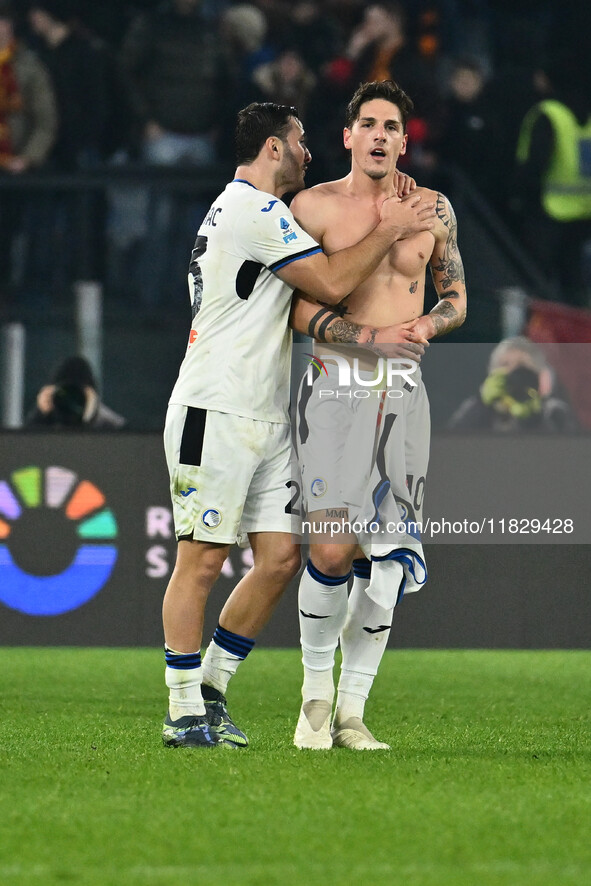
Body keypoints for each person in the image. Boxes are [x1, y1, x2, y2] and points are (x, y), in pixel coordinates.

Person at [160, 100, 437, 749]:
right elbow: (334, 279)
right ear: (275, 149)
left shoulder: (259, 214)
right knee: (200, 561)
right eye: (302, 141)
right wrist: (389, 224)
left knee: (281, 557)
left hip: (264, 412)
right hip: (215, 405)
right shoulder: (252, 211)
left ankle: (210, 689)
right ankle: (180, 711)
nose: (310, 152)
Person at [288, 80, 467, 750]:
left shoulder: (433, 208)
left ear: (403, 138)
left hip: (405, 389)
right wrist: (368, 339)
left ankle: (351, 713)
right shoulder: (312, 206)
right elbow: (297, 309)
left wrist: (427, 323)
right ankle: (312, 697)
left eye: (391, 126)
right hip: (337, 384)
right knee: (333, 547)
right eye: (367, 124)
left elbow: (455, 294)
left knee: (388, 560)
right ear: (346, 136)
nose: (379, 136)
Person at [447, 336, 577, 433]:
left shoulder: (554, 412)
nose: (512, 372)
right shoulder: (474, 408)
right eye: (504, 365)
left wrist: (533, 418)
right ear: (491, 373)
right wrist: (483, 405)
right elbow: (453, 445)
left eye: (521, 366)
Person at [26, 355, 126, 430]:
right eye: (63, 393)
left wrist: (90, 416)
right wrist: (41, 414)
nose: (71, 400)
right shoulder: (48, 415)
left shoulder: (111, 425)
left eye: (78, 395)